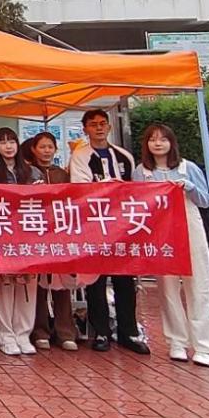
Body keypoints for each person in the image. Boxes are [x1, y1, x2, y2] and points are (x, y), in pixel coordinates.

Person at [134, 123, 209, 367]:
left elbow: (205, 200)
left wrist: (189, 186)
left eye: (163, 139)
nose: (158, 143)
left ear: (172, 143)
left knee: (199, 286)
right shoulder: (142, 171)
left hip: (189, 229)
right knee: (167, 288)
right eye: (153, 139)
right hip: (160, 233)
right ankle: (177, 342)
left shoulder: (187, 167)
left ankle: (205, 346)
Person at [69, 109, 149, 355]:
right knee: (96, 280)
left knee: (125, 279)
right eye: (93, 124)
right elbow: (80, 188)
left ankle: (128, 331)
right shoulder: (80, 156)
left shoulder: (124, 156)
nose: (99, 128)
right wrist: (108, 188)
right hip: (94, 225)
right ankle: (101, 331)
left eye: (103, 123)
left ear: (109, 126)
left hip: (122, 226)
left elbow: (136, 190)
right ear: (85, 128)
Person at [0, 128, 43, 356]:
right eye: (3, 142)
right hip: (1, 236)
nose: (8, 146)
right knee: (3, 287)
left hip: (28, 237)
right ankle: (5, 336)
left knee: (27, 286)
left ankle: (23, 334)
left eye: (12, 142)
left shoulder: (33, 172)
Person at [27, 131, 79, 352]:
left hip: (60, 233)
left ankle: (65, 331)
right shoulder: (28, 173)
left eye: (50, 147)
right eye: (42, 147)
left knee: (62, 284)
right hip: (36, 233)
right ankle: (40, 331)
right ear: (34, 149)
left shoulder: (63, 174)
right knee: (38, 285)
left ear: (55, 150)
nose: (46, 151)